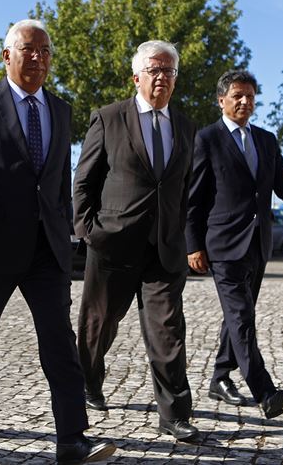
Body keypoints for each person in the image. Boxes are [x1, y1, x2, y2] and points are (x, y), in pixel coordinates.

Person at [0, 19, 116, 464]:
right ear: (7, 56)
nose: (38, 57)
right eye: (29, 49)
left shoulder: (60, 109)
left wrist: (68, 227)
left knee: (59, 341)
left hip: (47, 248)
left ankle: (72, 438)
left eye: (45, 51)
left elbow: (55, 178)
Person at [73, 40, 199, 442]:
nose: (162, 77)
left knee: (167, 329)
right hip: (113, 243)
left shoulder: (185, 126)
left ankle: (175, 413)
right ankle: (90, 380)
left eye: (169, 71)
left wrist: (183, 233)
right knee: (98, 325)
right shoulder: (109, 119)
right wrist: (89, 231)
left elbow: (184, 188)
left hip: (164, 247)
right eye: (154, 70)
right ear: (137, 76)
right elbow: (84, 182)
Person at [185, 69, 283, 419]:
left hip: (257, 245)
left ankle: (219, 377)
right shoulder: (207, 139)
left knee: (239, 314)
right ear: (221, 100)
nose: (245, 102)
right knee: (242, 317)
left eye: (250, 96)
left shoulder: (265, 139)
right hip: (223, 245)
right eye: (237, 96)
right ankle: (265, 391)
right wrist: (193, 245)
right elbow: (195, 199)